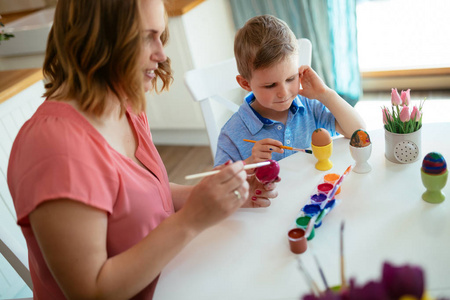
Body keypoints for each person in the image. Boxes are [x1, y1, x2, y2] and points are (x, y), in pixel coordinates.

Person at [7, 1, 279, 299]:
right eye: (146, 37)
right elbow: (90, 291)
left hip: (171, 275)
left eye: (160, 36)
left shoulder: (124, 104)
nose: (161, 55)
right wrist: (190, 219)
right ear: (98, 39)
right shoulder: (54, 148)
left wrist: (223, 197)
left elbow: (150, 199)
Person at [214, 15, 366, 167]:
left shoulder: (310, 106)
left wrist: (326, 94)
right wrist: (248, 165)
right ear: (246, 83)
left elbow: (358, 132)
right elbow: (217, 186)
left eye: (291, 79)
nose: (284, 93)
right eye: (270, 85)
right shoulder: (231, 134)